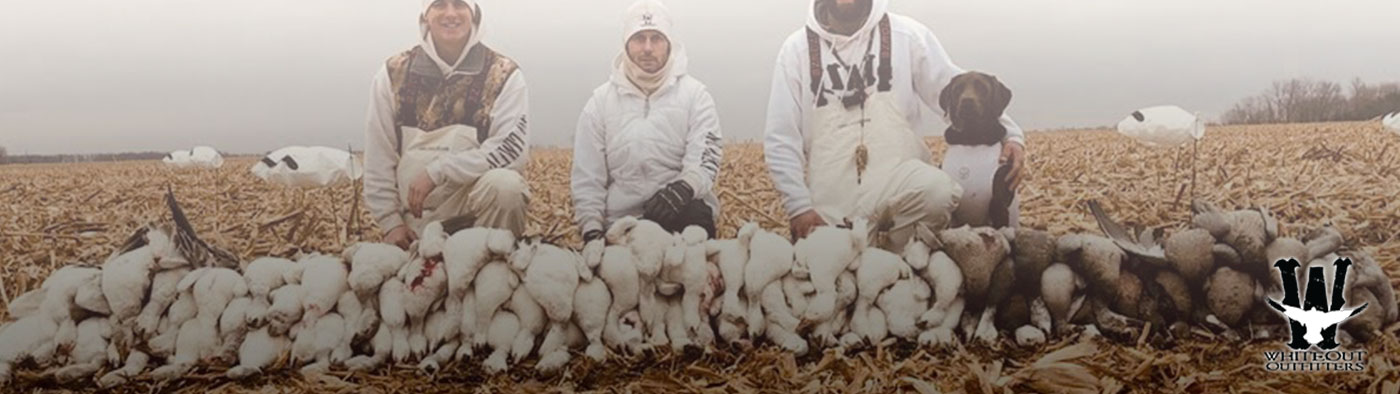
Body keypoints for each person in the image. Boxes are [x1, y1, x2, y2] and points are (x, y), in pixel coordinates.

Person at [764, 0, 1027, 251]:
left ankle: (901, 265)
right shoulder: (796, 51)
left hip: (900, 184)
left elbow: (953, 90)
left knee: (938, 193)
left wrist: (1011, 135)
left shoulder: (907, 36)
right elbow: (781, 138)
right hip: (832, 199)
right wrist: (799, 207)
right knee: (831, 277)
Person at [364, 0, 532, 250]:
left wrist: (438, 171)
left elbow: (510, 152)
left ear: (474, 13)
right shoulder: (393, 73)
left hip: (477, 215)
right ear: (426, 15)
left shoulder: (503, 73)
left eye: (459, 4)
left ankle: (489, 259)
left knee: (507, 187)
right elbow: (379, 154)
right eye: (440, 4)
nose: (450, 13)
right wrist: (391, 223)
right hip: (415, 221)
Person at [572, 0, 725, 243]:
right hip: (622, 225)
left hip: (681, 214)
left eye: (656, 38)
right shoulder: (599, 103)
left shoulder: (696, 96)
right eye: (639, 38)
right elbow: (587, 177)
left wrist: (683, 189)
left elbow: (705, 159)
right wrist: (592, 229)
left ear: (669, 44)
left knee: (696, 223)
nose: (647, 48)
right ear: (626, 44)